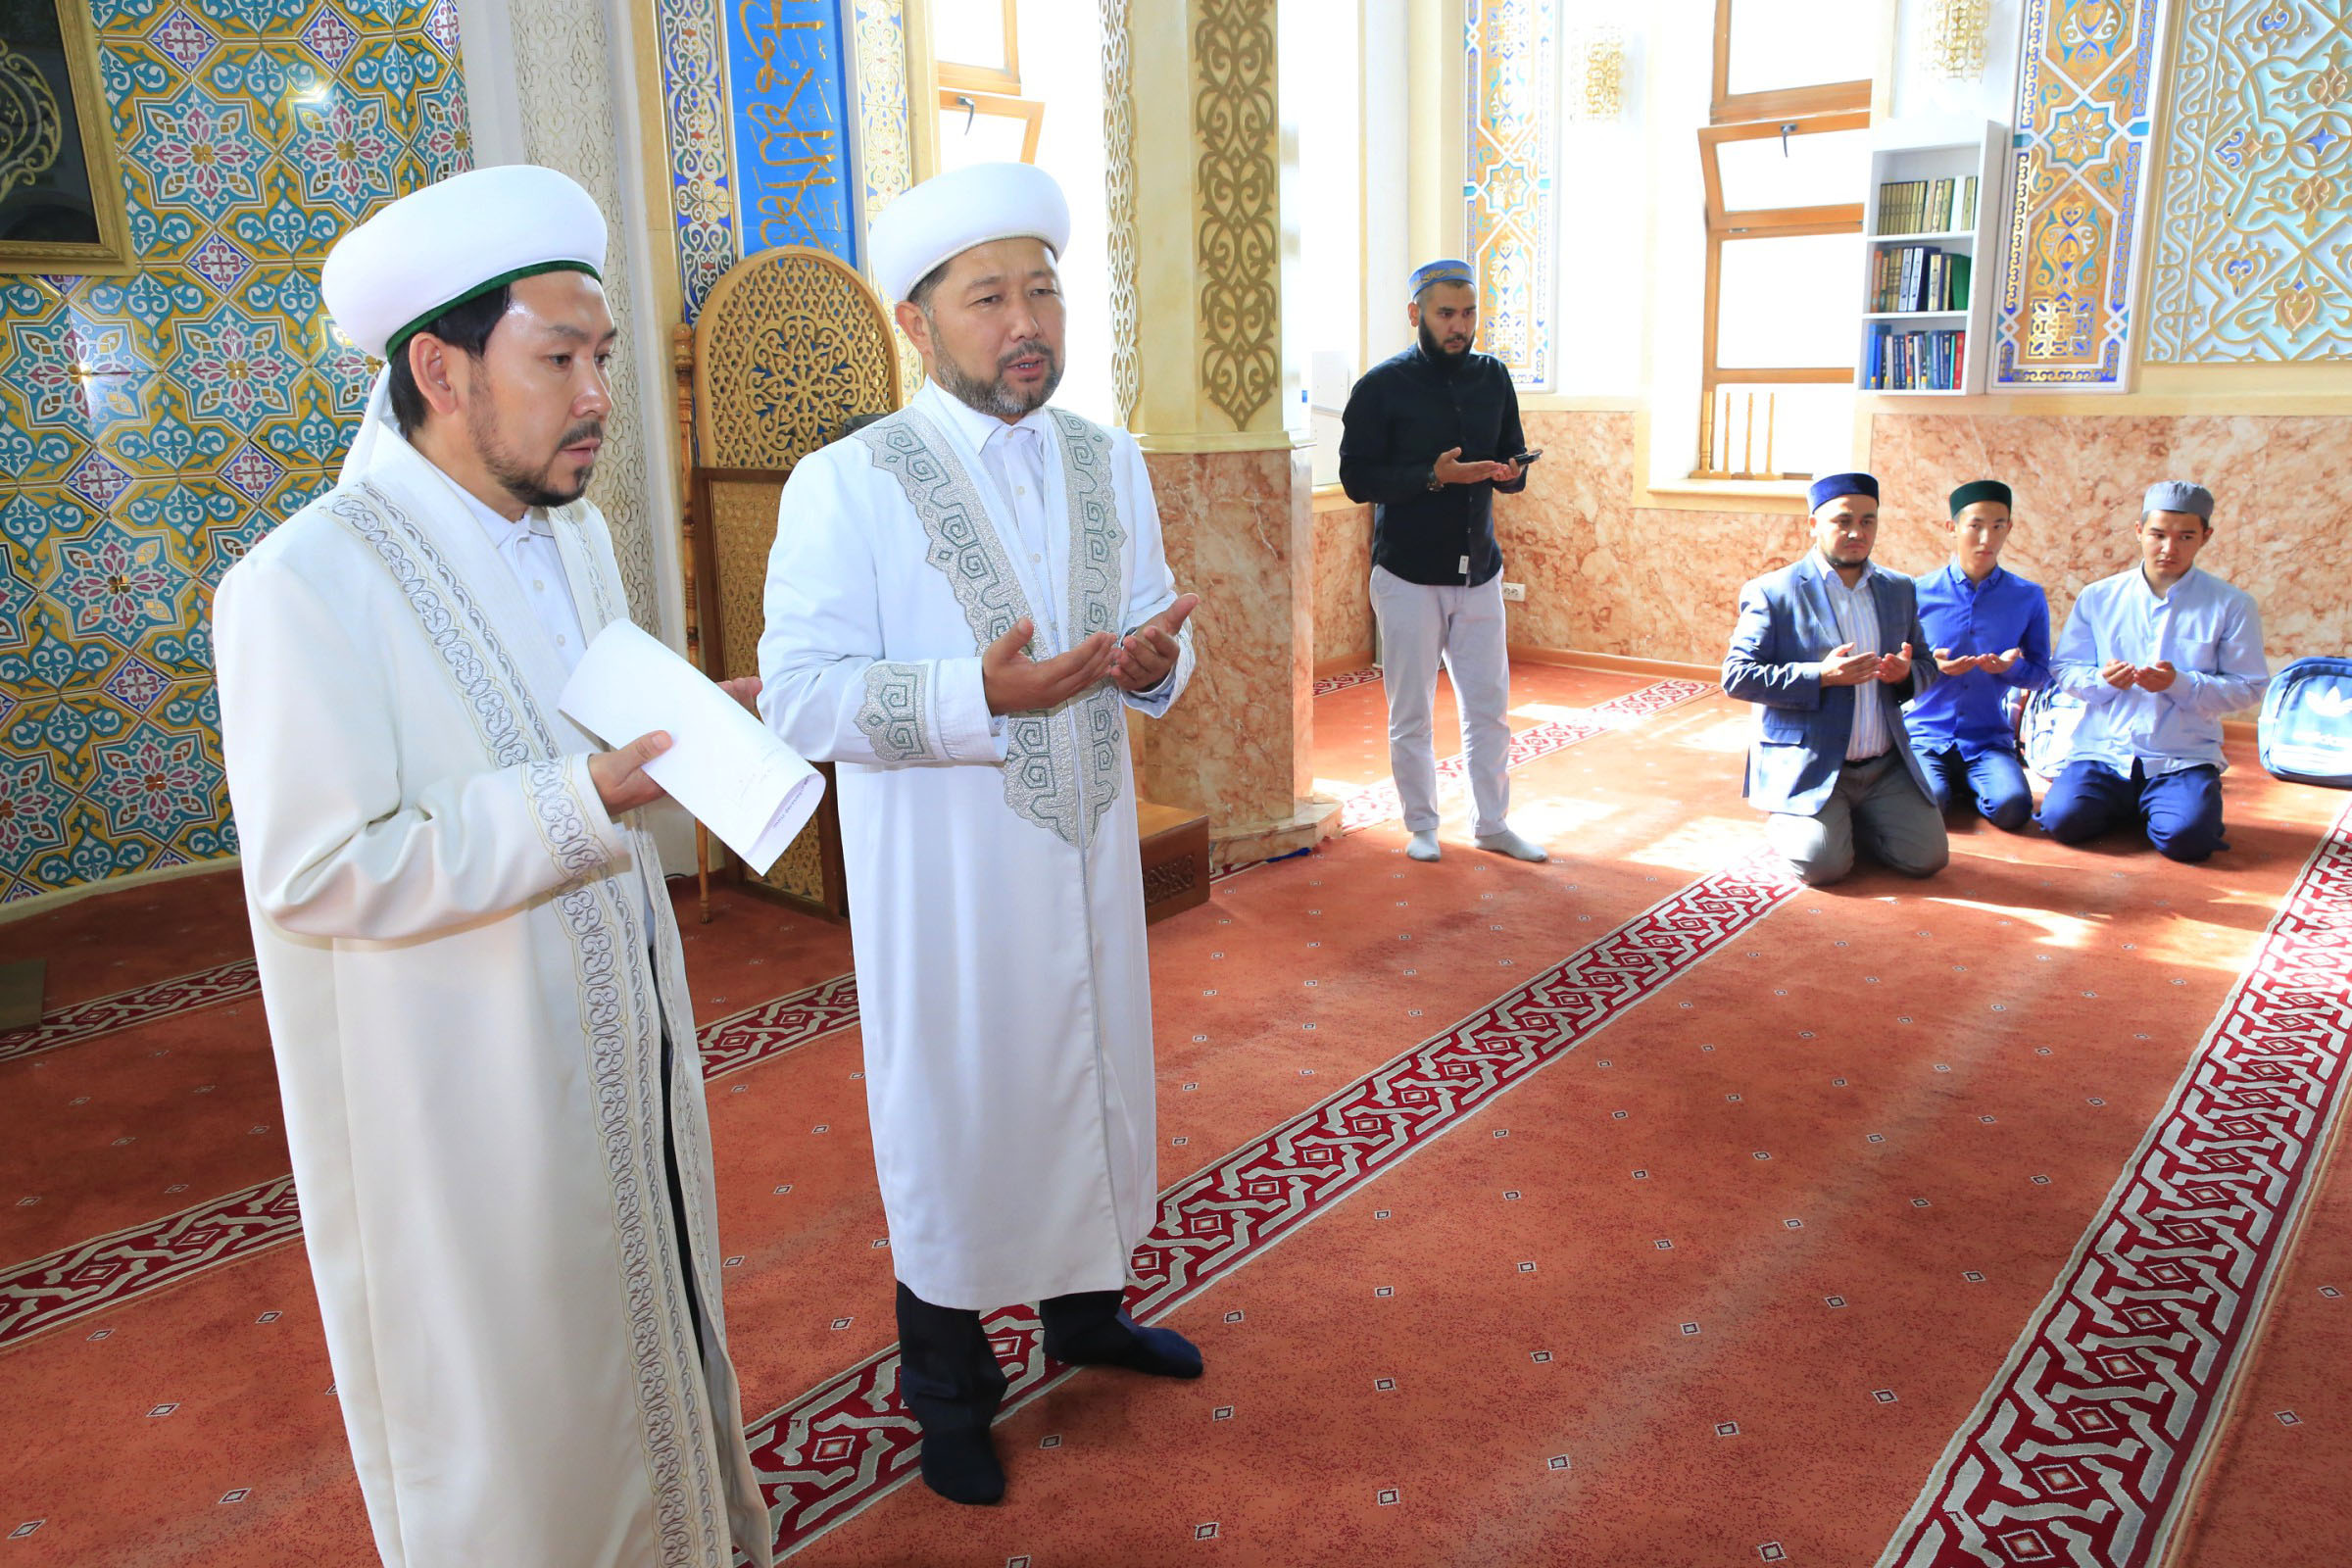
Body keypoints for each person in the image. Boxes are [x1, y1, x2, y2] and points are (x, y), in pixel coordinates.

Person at [213, 167, 772, 1567]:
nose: (598, 396)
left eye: (604, 358)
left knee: (653, 1342)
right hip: (472, 1112)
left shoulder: (575, 536)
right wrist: (587, 796)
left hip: (625, 1053)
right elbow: (316, 870)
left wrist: (689, 735)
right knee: (528, 1435)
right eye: (559, 360)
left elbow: (594, 738)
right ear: (438, 370)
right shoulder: (300, 585)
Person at [758, 162, 1202, 1507]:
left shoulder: (1106, 458)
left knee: (1090, 1078)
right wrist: (977, 697)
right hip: (944, 879)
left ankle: (1085, 1316)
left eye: (1044, 293)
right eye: (990, 298)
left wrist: (1151, 667)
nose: (1027, 324)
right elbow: (799, 695)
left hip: (1084, 857)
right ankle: (949, 1390)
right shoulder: (846, 482)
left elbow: (1156, 620)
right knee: (954, 1114)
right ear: (917, 323)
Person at [1337, 259, 1546, 863]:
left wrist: (1510, 472)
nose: (1459, 327)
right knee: (1412, 712)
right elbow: (1356, 480)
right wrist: (1433, 476)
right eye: (1446, 314)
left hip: (1480, 570)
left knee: (1490, 710)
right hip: (1407, 574)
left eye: (1469, 313)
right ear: (1416, 314)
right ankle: (1422, 826)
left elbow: (1511, 454)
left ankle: (1493, 824)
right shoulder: (1381, 387)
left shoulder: (1493, 377)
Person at [1722, 472, 1948, 887]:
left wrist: (1905, 676)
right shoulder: (1772, 592)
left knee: (1927, 859)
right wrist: (1820, 676)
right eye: (1842, 521)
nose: (1856, 532)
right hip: (1810, 763)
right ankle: (1791, 817)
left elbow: (1927, 664)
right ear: (1813, 524)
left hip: (1884, 766)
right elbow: (1737, 676)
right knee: (1823, 868)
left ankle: (1844, 822)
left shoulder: (1899, 589)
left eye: (1867, 521)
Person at [2036, 481, 2268, 861]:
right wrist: (2101, 681)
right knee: (2061, 821)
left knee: (2188, 841)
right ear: (2139, 531)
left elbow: (2249, 686)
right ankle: (2142, 806)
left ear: (2206, 537)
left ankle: (2168, 806)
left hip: (2182, 755)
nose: (2169, 548)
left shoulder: (2231, 605)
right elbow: (2065, 668)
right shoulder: (2099, 597)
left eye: (2185, 536)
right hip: (2104, 751)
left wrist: (2181, 683)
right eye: (2158, 534)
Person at [1907, 479, 2051, 830]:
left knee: (2013, 809)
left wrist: (2009, 669)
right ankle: (1949, 787)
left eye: (1998, 526)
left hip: (1988, 739)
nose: (1987, 538)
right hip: (1926, 735)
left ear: (2009, 528)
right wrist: (1932, 667)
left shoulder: (2028, 597)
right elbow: (1894, 669)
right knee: (1928, 803)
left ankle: (1971, 784)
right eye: (1975, 526)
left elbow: (2041, 674)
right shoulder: (1916, 593)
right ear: (1952, 527)